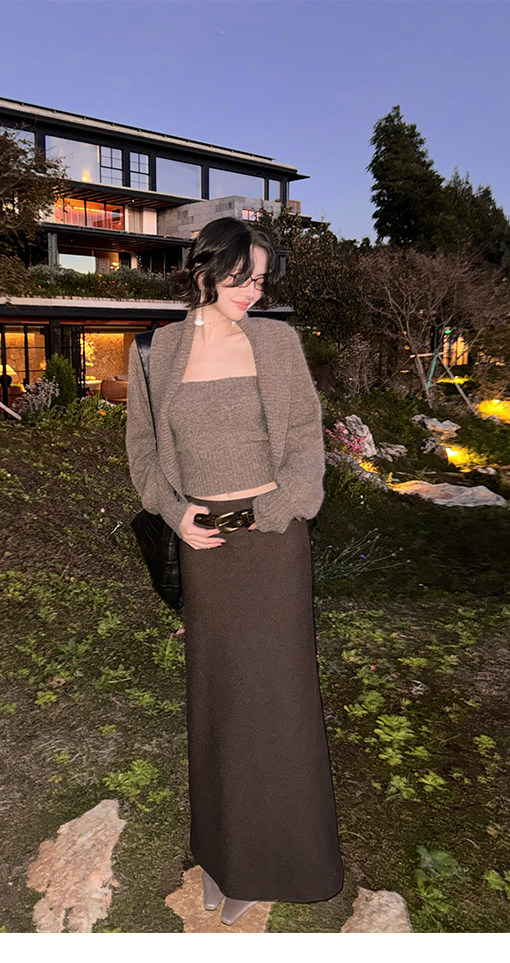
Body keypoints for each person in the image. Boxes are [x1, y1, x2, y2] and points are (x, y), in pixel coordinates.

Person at [125, 216, 343, 926]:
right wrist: (174, 511)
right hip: (206, 548)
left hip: (273, 546)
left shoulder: (277, 344)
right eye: (240, 278)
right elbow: (144, 451)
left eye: (261, 280)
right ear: (202, 272)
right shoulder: (155, 352)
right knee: (218, 702)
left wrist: (276, 507)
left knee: (276, 701)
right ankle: (223, 855)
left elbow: (306, 441)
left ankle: (281, 860)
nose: (254, 291)